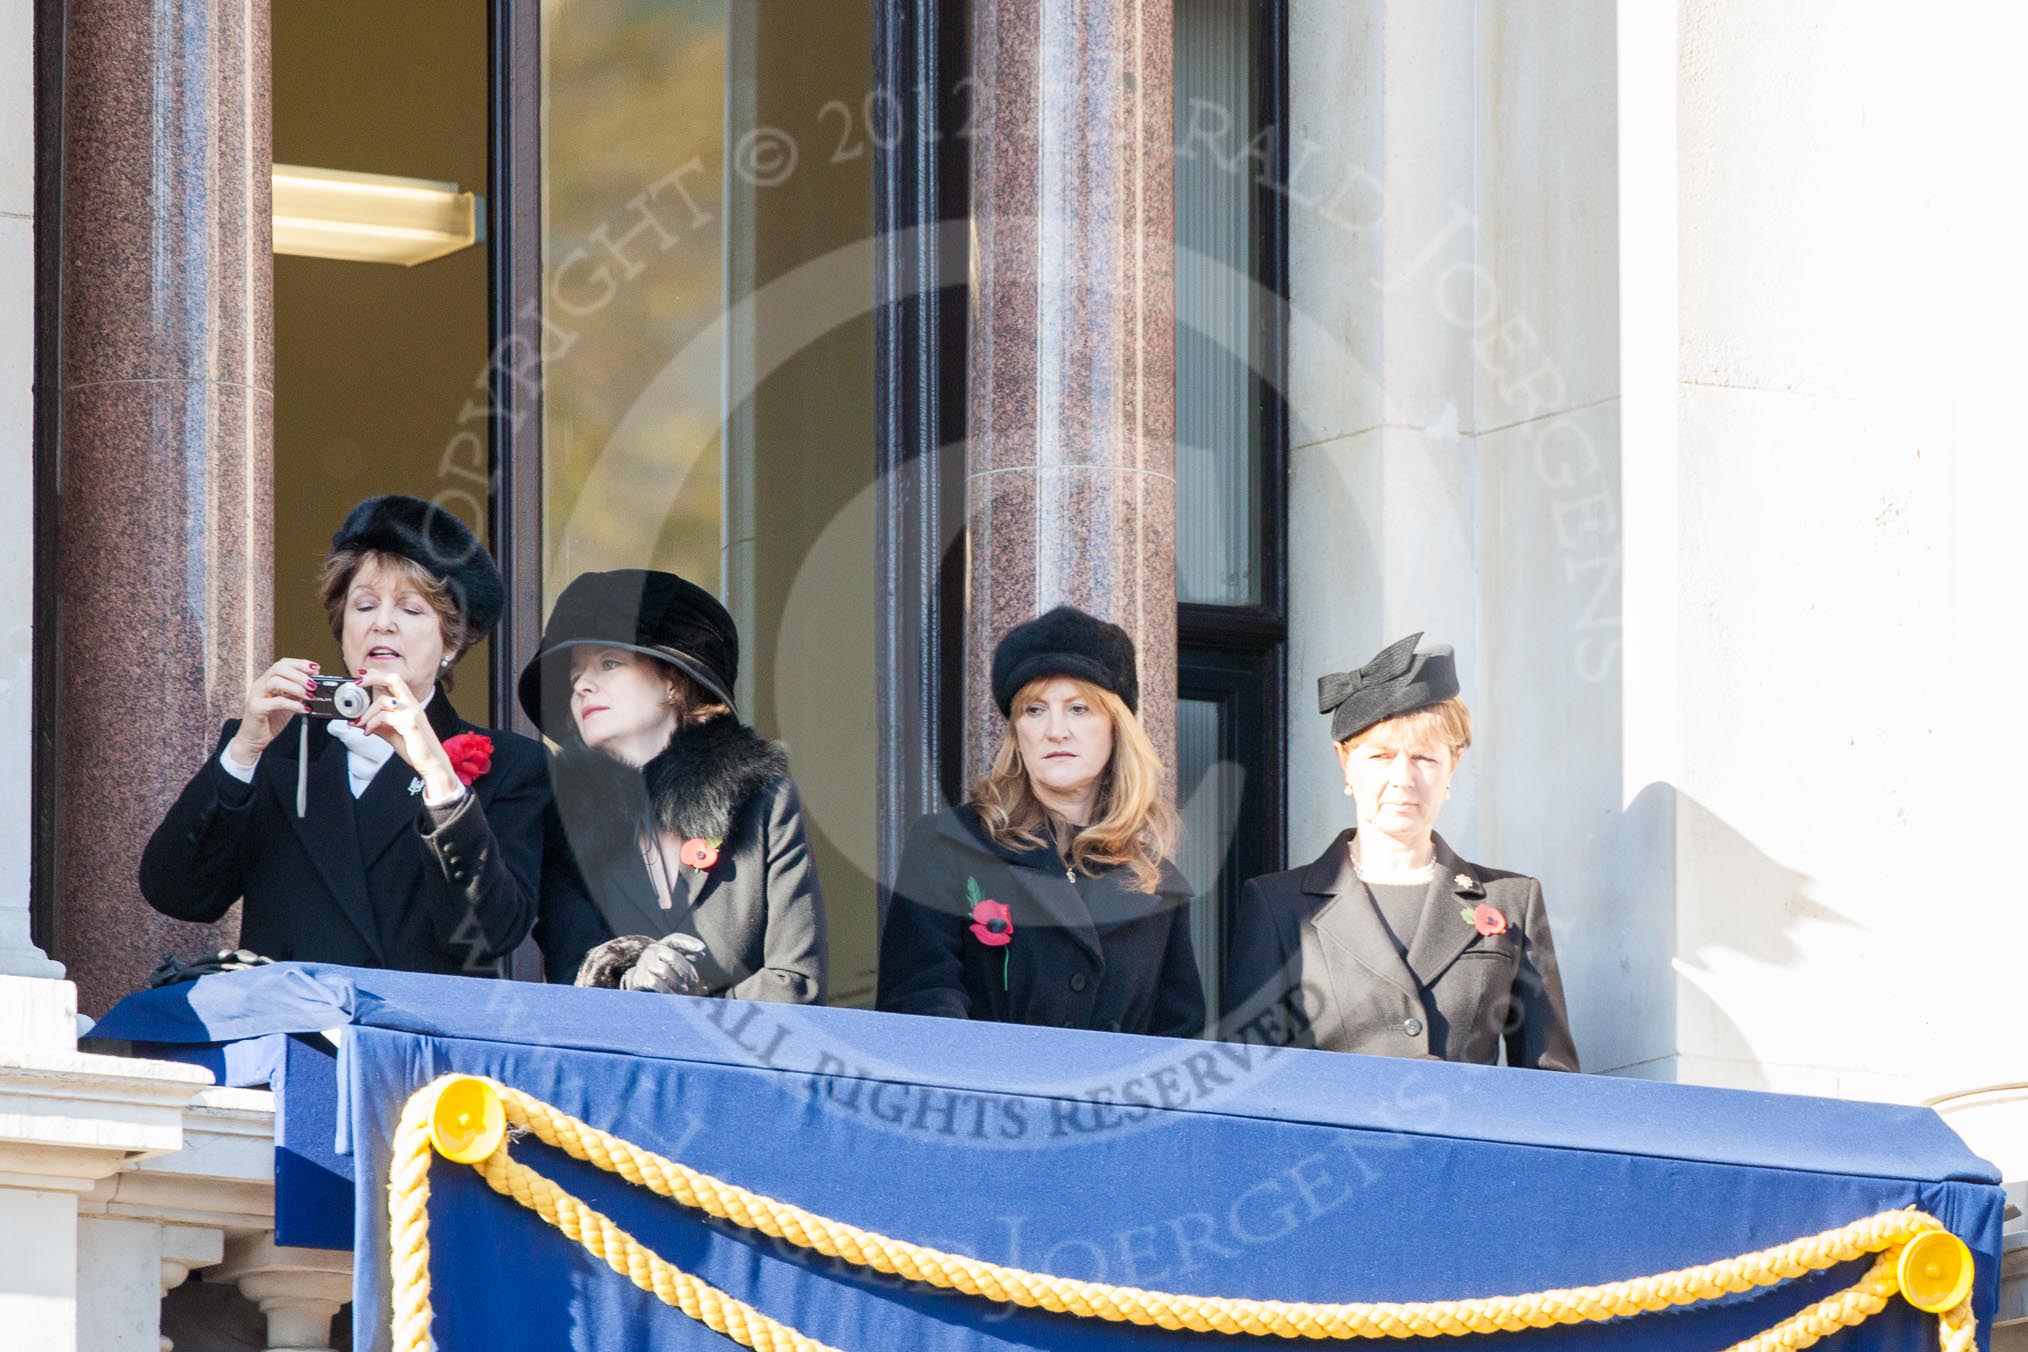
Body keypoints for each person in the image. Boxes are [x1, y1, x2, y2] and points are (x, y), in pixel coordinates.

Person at [140, 495, 595, 976]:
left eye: (411, 610)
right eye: (365, 605)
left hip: (415, 1042)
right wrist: (241, 754)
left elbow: (490, 934)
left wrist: (440, 782)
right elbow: (177, 892)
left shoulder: (511, 764)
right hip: (288, 1034)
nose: (382, 623)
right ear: (343, 626)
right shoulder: (280, 745)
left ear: (452, 641)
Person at [1223, 633, 1577, 1069]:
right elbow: (1247, 1080)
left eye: (1425, 758)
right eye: (1381, 757)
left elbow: (1549, 1083)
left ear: (1454, 764)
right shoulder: (1277, 905)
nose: (1403, 779)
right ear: (1344, 763)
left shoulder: (1512, 900)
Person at [878, 605, 1203, 1037]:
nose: (1056, 731)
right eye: (1034, 710)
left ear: (1115, 727)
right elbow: (919, 1001)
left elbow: (1175, 1045)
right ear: (1017, 732)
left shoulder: (1159, 886)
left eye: (1078, 709)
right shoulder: (951, 845)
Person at [519, 568, 827, 1002]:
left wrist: (686, 1001)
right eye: (575, 677)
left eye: (609, 663)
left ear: (673, 682)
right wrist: (629, 979)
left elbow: (797, 984)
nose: (583, 685)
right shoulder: (565, 817)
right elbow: (575, 974)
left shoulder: (764, 802)